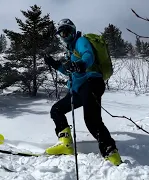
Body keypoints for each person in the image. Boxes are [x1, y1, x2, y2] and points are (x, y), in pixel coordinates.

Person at [43, 18, 122, 166]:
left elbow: (88, 56)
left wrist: (81, 64)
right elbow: (68, 71)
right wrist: (54, 64)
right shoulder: (71, 50)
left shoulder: (81, 41)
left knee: (92, 120)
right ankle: (65, 143)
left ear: (73, 31)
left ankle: (112, 154)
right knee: (56, 110)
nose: (64, 36)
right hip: (78, 89)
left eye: (67, 32)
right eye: (61, 33)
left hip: (91, 82)